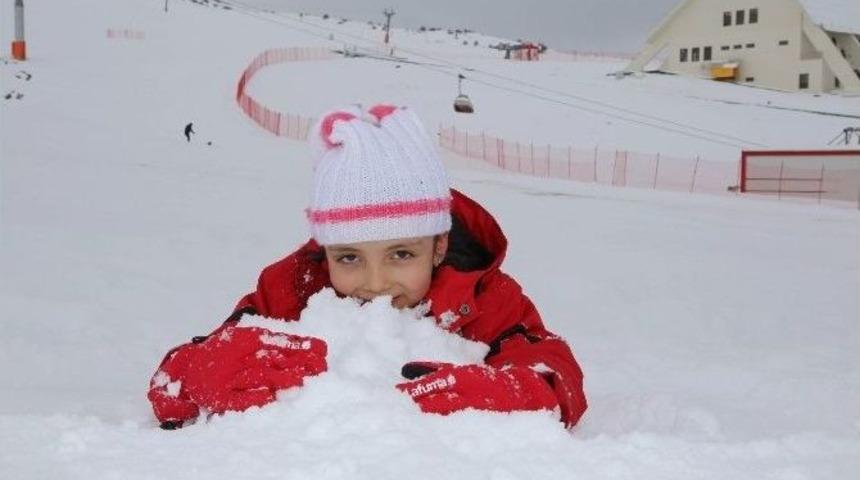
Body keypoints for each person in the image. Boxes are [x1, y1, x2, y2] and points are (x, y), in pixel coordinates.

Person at [148, 105, 587, 430]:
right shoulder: (290, 291)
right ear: (326, 250)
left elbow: (558, 377)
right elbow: (172, 379)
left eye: (401, 254)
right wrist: (204, 373)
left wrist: (503, 392)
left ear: (438, 246)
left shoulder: (484, 299)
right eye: (349, 258)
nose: (376, 284)